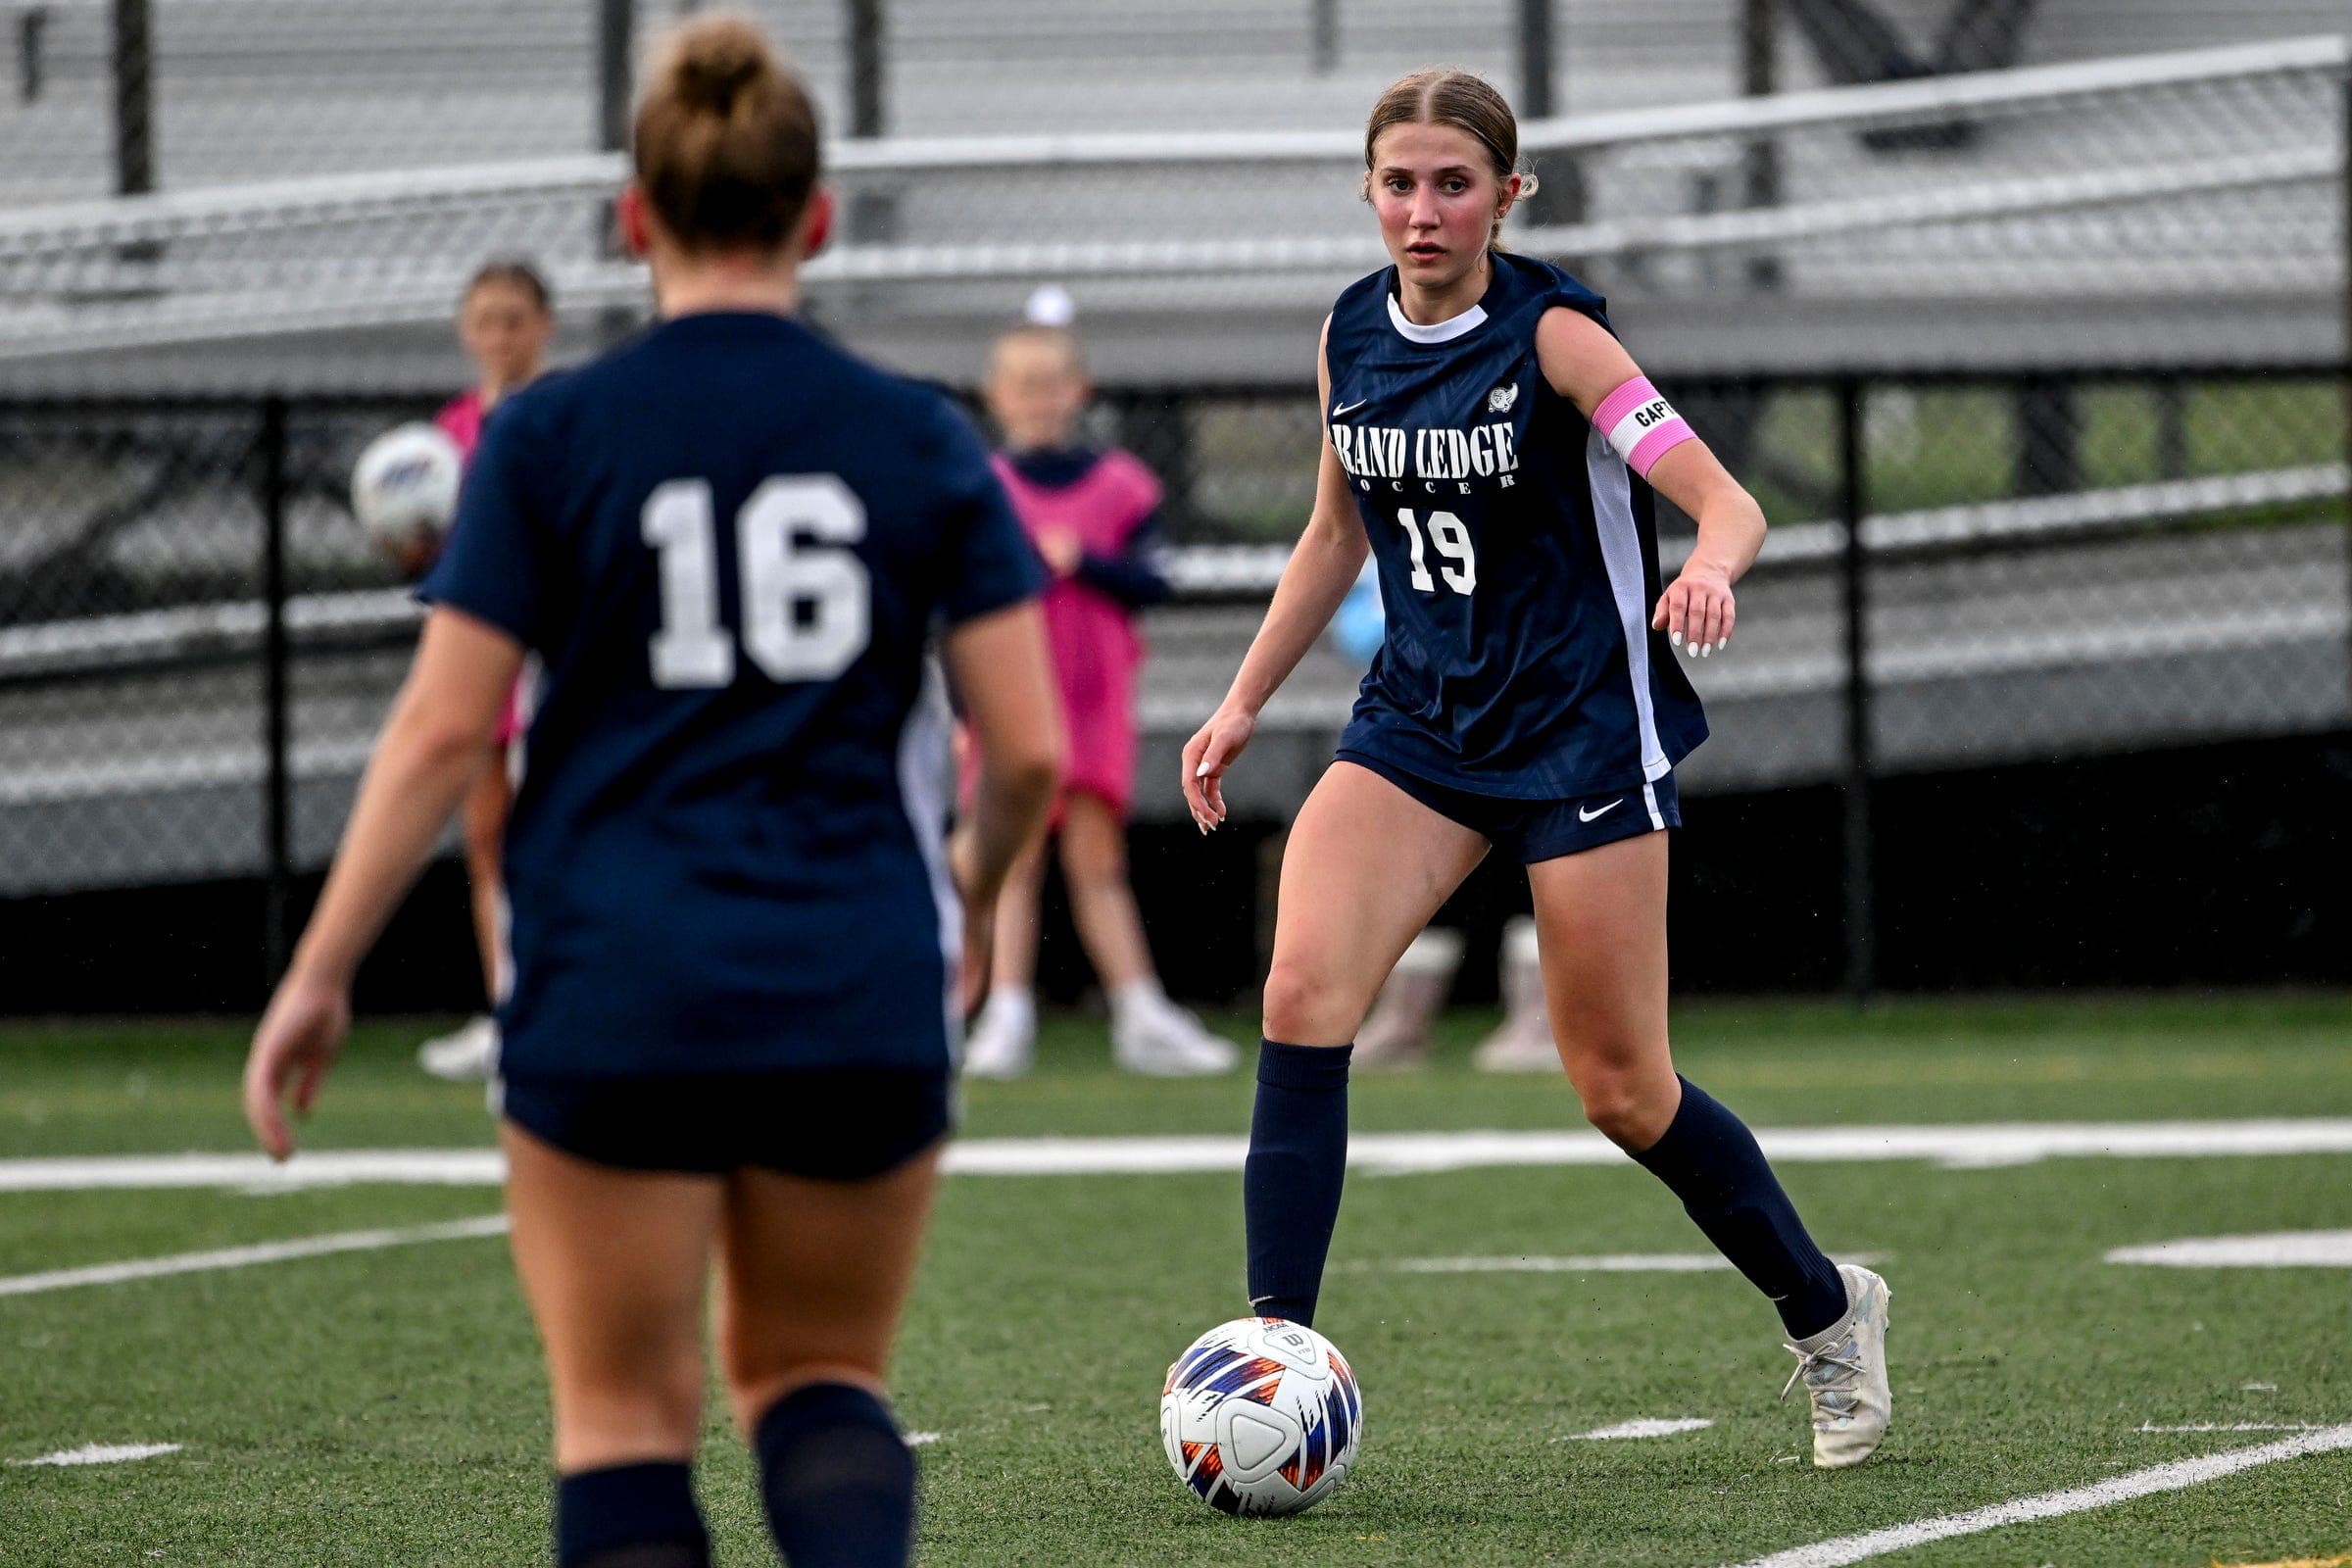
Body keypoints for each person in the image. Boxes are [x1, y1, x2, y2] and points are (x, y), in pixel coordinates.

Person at [242, 19, 1061, 1568]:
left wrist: (319, 970)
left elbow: (437, 732)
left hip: (614, 976)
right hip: (849, 966)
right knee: (819, 1382)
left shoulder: (549, 434)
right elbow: (1019, 748)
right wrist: (963, 891)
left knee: (621, 1416)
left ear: (635, 218)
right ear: (815, 217)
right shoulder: (916, 434)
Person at [1181, 68, 1893, 1469]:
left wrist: (1712, 568)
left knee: (1622, 1089)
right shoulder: (1348, 332)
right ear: (1369, 189)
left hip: (1576, 731)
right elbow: (1337, 536)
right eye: (1400, 181)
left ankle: (1827, 1311)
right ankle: (1277, 1365)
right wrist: (1243, 699)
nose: (1424, 209)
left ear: (1510, 197)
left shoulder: (1557, 338)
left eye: (1455, 183)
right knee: (1300, 992)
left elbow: (1725, 500)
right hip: (1418, 725)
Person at [959, 315, 1238, 1079]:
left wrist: (1083, 562)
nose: (1039, 401)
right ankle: (1004, 1013)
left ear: (1077, 392)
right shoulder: (984, 489)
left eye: (1052, 387)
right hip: (1012, 701)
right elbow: (962, 603)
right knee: (1013, 858)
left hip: (1092, 702)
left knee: (1095, 856)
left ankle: (1139, 1010)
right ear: (996, 397)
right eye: (1023, 388)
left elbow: (1153, 578)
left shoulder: (1119, 486)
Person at [416, 259, 558, 1083]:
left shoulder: (557, 418)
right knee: (486, 834)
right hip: (479, 656)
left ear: (542, 326)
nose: (500, 336)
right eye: (486, 320)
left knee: (552, 831)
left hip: (547, 651)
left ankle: (555, 999)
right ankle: (509, 1004)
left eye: (515, 318)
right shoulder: (449, 435)